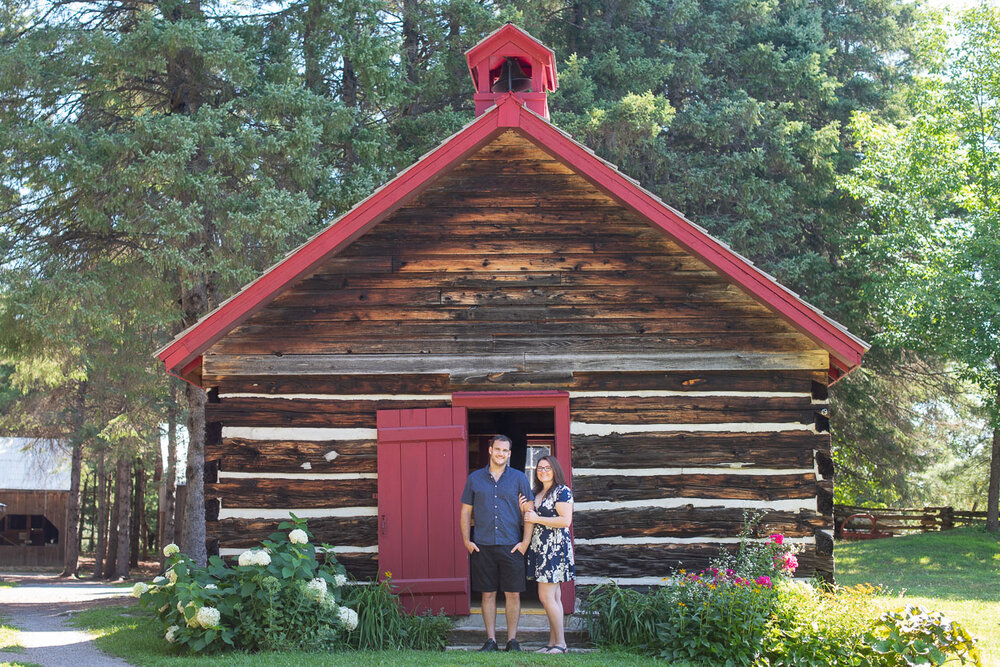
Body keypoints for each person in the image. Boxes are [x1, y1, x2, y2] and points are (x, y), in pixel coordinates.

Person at [459, 434, 533, 652]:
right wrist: (466, 541)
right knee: (487, 593)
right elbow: (466, 511)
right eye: (497, 449)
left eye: (505, 451)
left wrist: (525, 543)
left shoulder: (519, 478)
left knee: (513, 594)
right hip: (483, 545)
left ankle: (512, 641)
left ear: (509, 454)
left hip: (512, 545)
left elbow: (529, 511)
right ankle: (490, 640)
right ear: (490, 450)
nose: (501, 453)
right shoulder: (474, 478)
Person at [521, 455, 575, 654]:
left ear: (555, 471)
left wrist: (537, 517)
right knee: (554, 597)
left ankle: (561, 643)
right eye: (540, 468)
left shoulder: (562, 491)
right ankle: (552, 643)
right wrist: (525, 511)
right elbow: (531, 518)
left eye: (548, 468)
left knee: (545, 597)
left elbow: (564, 521)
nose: (543, 471)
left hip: (554, 549)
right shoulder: (537, 492)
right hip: (540, 548)